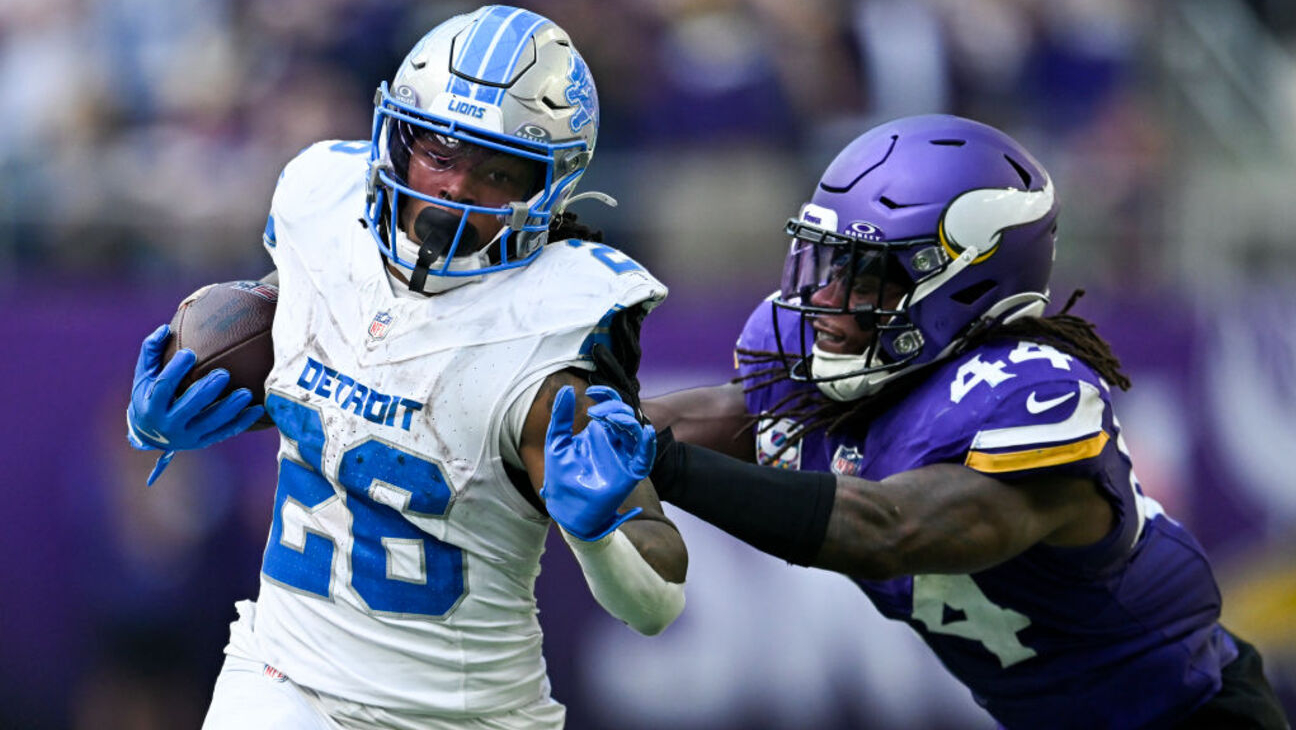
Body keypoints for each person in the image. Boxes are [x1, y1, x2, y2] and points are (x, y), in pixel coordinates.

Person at [553, 114, 1290, 729]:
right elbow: (736, 415)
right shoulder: (836, 361)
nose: (829, 301)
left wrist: (658, 459)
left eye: (865, 274)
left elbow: (889, 531)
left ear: (965, 280)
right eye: (824, 263)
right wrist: (569, 415)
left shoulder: (1029, 398)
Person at [125, 6, 686, 729]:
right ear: (396, 137)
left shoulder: (560, 323)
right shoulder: (319, 206)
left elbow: (655, 607)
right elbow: (297, 336)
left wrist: (600, 536)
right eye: (441, 153)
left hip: (462, 715)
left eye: (497, 171)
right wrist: (169, 406)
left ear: (551, 187)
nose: (454, 188)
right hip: (281, 677)